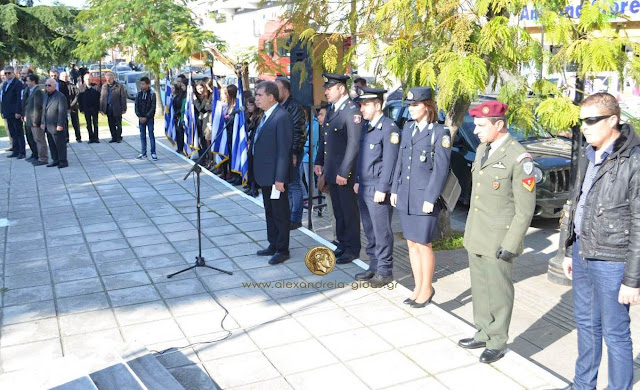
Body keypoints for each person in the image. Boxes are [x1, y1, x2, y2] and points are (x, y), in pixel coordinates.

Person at [561, 92, 640, 390]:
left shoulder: (633, 159)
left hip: (613, 260)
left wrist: (632, 279)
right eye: (582, 120)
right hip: (583, 252)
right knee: (586, 325)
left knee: (616, 333)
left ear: (613, 120)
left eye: (592, 120)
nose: (585, 126)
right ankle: (583, 385)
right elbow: (577, 203)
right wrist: (569, 249)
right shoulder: (588, 153)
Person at [457, 100, 535, 364]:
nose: (476, 130)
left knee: (499, 291)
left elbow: (525, 209)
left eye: (481, 125)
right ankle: (482, 332)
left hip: (499, 239)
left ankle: (498, 341)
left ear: (499, 124)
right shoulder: (483, 149)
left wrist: (511, 243)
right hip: (477, 233)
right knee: (479, 288)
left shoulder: (519, 157)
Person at [390, 87, 450, 306]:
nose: (412, 109)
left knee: (424, 244)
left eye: (416, 105)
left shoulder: (439, 132)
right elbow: (400, 161)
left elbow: (440, 170)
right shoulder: (407, 129)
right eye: (410, 105)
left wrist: (430, 197)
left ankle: (427, 288)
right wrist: (395, 189)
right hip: (406, 195)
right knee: (411, 244)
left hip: (424, 198)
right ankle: (417, 286)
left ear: (428, 106)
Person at [352, 87, 401, 287]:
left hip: (378, 188)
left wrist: (384, 188)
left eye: (366, 104)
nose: (362, 108)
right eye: (361, 104)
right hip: (364, 186)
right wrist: (357, 179)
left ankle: (385, 270)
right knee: (370, 230)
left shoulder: (389, 128)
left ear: (378, 105)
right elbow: (362, 157)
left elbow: (390, 161)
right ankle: (373, 265)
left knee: (382, 231)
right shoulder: (367, 126)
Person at [314, 73, 363, 264]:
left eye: (329, 88)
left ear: (341, 88)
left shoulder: (352, 111)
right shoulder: (332, 110)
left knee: (349, 211)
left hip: (345, 173)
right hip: (332, 170)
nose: (326, 92)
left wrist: (345, 172)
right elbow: (325, 140)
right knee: (338, 211)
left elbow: (354, 145)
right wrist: (319, 161)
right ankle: (342, 243)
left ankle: (352, 248)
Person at [252, 81, 294, 265]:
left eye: (259, 95)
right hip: (265, 174)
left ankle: (282, 249)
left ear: (271, 97)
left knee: (280, 213)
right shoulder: (266, 115)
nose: (256, 98)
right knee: (269, 211)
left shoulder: (281, 116)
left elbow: (284, 151)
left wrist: (280, 178)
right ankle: (273, 243)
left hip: (275, 176)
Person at [276, 77, 307, 230]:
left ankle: (296, 218)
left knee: (294, 184)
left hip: (292, 151)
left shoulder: (294, 106)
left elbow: (298, 131)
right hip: (283, 152)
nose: (275, 92)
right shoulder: (280, 106)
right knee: (286, 183)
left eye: (278, 89)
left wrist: (294, 152)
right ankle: (287, 215)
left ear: (286, 90)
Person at [41, 78, 69, 168]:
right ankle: (55, 159)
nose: (47, 87)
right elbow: (44, 110)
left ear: (55, 86)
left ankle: (63, 161)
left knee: (60, 144)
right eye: (46, 85)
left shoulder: (60, 96)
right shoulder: (45, 96)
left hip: (57, 125)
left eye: (49, 85)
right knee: (52, 144)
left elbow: (62, 111)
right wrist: (42, 122)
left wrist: (60, 124)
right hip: (48, 125)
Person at [1, 66, 25, 159]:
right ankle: (15, 150)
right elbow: (3, 98)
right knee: (12, 132)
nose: (7, 75)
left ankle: (21, 151)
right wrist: (2, 111)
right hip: (7, 112)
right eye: (5, 73)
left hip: (15, 112)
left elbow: (19, 98)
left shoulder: (17, 83)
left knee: (18, 132)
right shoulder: (5, 84)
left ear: (13, 73)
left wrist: (18, 111)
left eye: (9, 73)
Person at [22, 74, 46, 165]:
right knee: (33, 139)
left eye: (28, 80)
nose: (26, 82)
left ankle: (43, 158)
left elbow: (37, 108)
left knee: (39, 139)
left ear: (33, 81)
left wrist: (36, 121)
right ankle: (37, 156)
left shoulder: (37, 91)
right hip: (29, 119)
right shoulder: (30, 90)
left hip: (34, 120)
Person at [99, 72, 127, 143]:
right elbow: (102, 98)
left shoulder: (119, 86)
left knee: (118, 123)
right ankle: (113, 137)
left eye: (110, 79)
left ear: (113, 78)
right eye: (107, 79)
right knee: (111, 123)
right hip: (108, 107)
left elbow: (123, 98)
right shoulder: (104, 86)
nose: (108, 80)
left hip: (117, 107)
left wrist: (124, 108)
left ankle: (118, 137)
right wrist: (101, 108)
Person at [134, 77, 157, 160]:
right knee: (142, 135)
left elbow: (153, 107)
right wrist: (139, 116)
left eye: (143, 84)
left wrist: (146, 117)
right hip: (141, 118)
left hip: (149, 118)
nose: (141, 85)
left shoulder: (152, 94)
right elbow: (136, 106)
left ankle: (153, 152)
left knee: (151, 134)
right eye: (141, 84)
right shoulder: (139, 94)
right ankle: (143, 153)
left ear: (148, 84)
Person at [244, 96, 262, 197]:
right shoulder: (248, 116)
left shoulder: (258, 116)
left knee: (254, 166)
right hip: (250, 142)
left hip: (255, 143)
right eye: (248, 105)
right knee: (250, 165)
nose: (249, 107)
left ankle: (254, 187)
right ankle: (251, 185)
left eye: (251, 105)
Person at [20, 68, 38, 162]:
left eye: (24, 74)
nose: (22, 75)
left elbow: (36, 106)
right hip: (26, 115)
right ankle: (33, 153)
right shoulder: (25, 87)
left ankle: (37, 154)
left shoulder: (35, 90)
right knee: (29, 136)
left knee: (34, 137)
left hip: (31, 117)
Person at [78, 73, 101, 143]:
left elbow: (99, 98)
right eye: (86, 79)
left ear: (91, 79)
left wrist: (99, 108)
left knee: (95, 123)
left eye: (89, 79)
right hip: (86, 109)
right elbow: (79, 99)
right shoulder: (81, 88)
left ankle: (96, 138)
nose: (88, 80)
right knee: (88, 124)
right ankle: (91, 138)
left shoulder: (96, 87)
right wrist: (81, 109)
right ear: (84, 80)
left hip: (95, 108)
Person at [194, 80, 212, 159]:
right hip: (201, 120)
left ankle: (209, 158)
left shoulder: (207, 96)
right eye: (198, 89)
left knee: (207, 139)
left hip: (207, 120)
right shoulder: (200, 97)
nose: (200, 90)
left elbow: (200, 108)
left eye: (201, 88)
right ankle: (205, 158)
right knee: (202, 140)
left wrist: (195, 100)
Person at [61, 72, 81, 142]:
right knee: (65, 124)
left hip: (73, 108)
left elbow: (77, 95)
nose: (65, 78)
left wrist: (72, 105)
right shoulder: (60, 86)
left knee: (75, 123)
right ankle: (66, 138)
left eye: (66, 76)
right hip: (64, 108)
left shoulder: (72, 86)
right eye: (63, 76)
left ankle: (78, 137)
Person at [172, 81, 187, 153]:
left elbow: (181, 107)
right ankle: (179, 147)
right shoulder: (177, 96)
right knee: (178, 133)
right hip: (177, 116)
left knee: (182, 133)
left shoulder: (182, 96)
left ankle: (182, 148)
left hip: (181, 116)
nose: (180, 85)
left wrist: (178, 114)